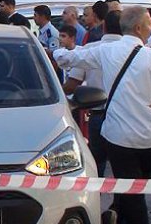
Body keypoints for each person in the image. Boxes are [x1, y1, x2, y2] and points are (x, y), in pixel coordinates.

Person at [53, 6, 151, 224]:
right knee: (135, 192)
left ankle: (122, 214)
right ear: (138, 28)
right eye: (150, 23)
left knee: (131, 194)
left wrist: (54, 51)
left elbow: (65, 58)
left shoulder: (105, 51)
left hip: (120, 137)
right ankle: (120, 214)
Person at [61, 10, 124, 178]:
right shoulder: (137, 51)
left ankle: (97, 192)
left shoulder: (89, 50)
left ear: (104, 27)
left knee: (97, 163)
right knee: (124, 166)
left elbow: (72, 84)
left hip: (97, 114)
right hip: (125, 115)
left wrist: (56, 93)